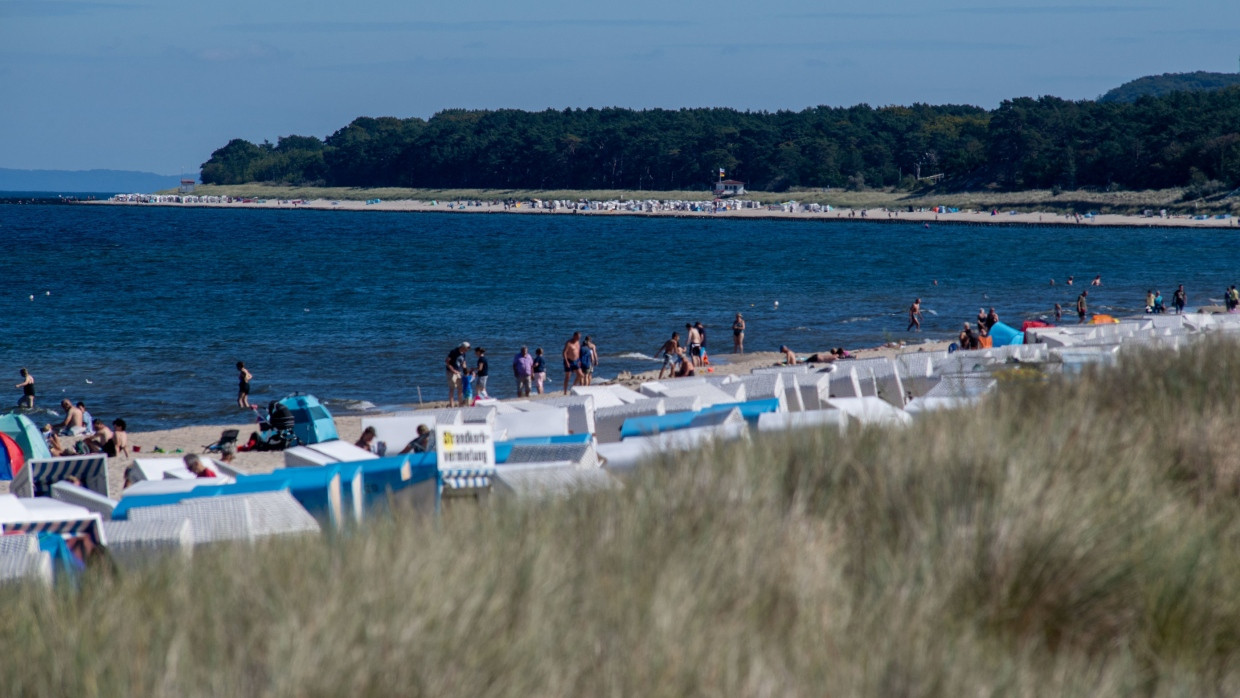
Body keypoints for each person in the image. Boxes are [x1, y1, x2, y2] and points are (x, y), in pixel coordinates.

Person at [445, 341, 470, 407]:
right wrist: (453, 370)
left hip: (458, 372)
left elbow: (463, 362)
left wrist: (465, 370)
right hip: (451, 372)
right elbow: (447, 362)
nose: (467, 350)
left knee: (460, 388)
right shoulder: (454, 352)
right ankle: (451, 404)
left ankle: (460, 404)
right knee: (452, 388)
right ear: (463, 347)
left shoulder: (463, 353)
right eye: (467, 348)